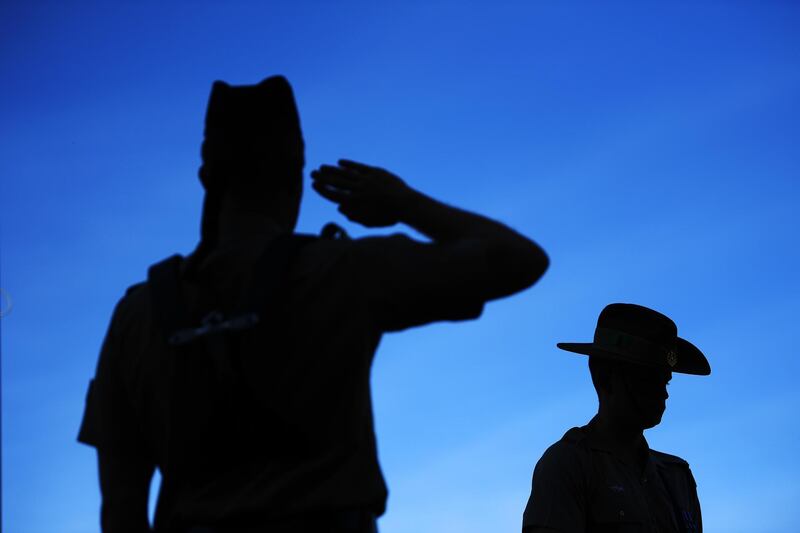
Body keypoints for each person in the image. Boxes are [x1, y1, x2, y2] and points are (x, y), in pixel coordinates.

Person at [78, 75, 549, 533]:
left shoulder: (135, 316)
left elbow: (120, 514)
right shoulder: (342, 271)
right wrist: (403, 202)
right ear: (294, 176)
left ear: (207, 176)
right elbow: (520, 260)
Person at [522, 303, 709, 533]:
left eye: (665, 380)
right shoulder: (568, 464)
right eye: (648, 379)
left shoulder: (677, 478)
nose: (663, 392)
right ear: (604, 377)